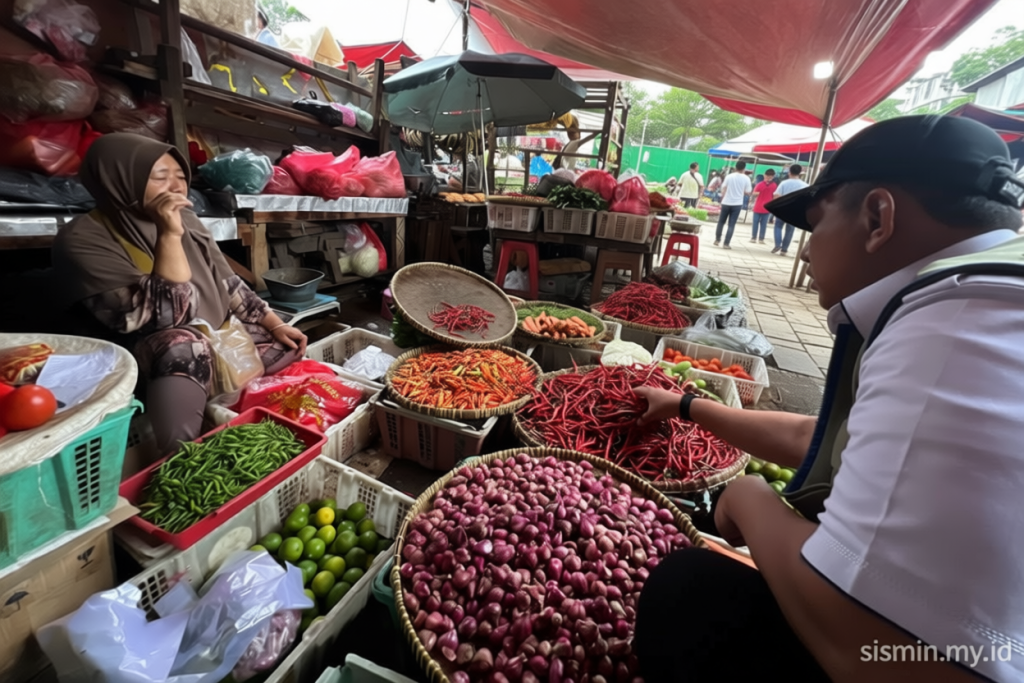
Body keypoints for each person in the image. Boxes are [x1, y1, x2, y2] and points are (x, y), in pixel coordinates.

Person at [630, 115, 1024, 682]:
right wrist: (687, 406)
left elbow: (863, 643)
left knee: (689, 591)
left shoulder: (956, 325)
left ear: (877, 218)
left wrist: (748, 498)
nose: (806, 251)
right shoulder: (989, 290)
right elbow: (830, 439)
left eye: (815, 224)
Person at [52, 134, 308, 457]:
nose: (176, 187)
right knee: (182, 347)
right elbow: (164, 318)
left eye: (181, 176)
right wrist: (169, 235)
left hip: (208, 333)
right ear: (120, 181)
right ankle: (179, 455)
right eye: (161, 177)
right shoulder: (82, 238)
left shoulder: (187, 218)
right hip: (141, 354)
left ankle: (217, 400)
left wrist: (275, 323)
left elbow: (228, 283)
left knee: (287, 342)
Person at [713, 161, 752, 248]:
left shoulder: (729, 176)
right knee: (731, 224)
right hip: (737, 204)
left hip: (726, 202)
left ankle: (717, 239)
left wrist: (723, 197)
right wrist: (741, 191)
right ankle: (726, 244)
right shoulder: (746, 178)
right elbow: (748, 191)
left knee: (721, 222)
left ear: (735, 167)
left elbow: (723, 188)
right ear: (744, 168)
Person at [772, 164, 807, 255]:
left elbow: (776, 196)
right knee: (790, 230)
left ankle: (778, 244)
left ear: (789, 172)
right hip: (795, 211)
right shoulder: (805, 185)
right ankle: (784, 250)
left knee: (778, 226)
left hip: (782, 209)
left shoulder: (784, 183)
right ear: (800, 173)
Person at [749, 168, 777, 244]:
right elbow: (754, 193)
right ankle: (754, 237)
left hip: (766, 208)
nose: (768, 178)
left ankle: (760, 238)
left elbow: (774, 195)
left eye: (770, 177)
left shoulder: (774, 185)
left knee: (763, 224)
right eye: (767, 176)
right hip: (759, 207)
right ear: (764, 175)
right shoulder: (760, 184)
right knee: (756, 223)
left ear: (773, 177)